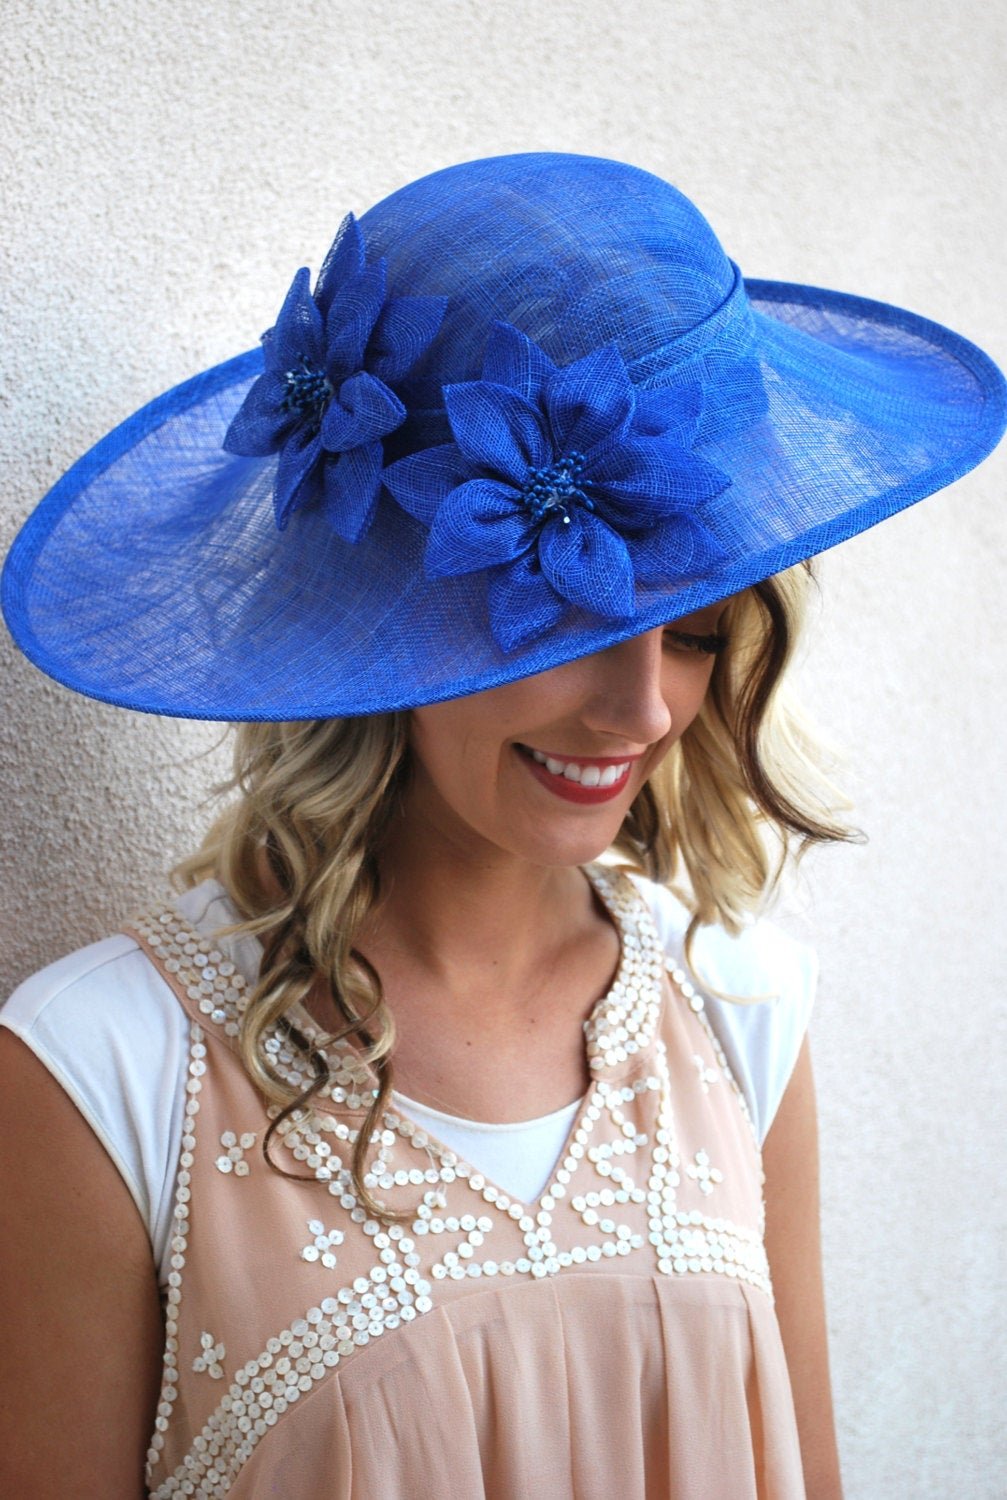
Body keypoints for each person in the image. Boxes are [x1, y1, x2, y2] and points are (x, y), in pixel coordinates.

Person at [0, 153, 1003, 1500]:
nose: (643, 709)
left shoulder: (740, 1007)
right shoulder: (102, 1070)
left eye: (699, 631)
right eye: (572, 616)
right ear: (389, 603)